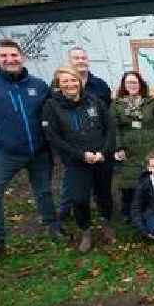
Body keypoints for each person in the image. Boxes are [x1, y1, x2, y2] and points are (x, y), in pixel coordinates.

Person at [0, 40, 61, 265]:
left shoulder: (38, 85)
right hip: (4, 152)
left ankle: (52, 225)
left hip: (39, 151)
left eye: (14, 55)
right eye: (4, 56)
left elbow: (51, 113)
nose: (10, 59)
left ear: (22, 57)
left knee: (44, 191)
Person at [42, 66, 116, 252]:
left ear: (79, 81)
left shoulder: (94, 101)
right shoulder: (52, 106)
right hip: (76, 161)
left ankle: (106, 222)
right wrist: (81, 155)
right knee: (79, 198)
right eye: (65, 81)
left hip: (101, 158)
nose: (70, 84)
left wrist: (103, 152)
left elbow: (110, 128)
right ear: (59, 84)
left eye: (73, 80)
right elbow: (54, 138)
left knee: (104, 193)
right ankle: (86, 231)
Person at [58, 47, 112, 220]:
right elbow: (54, 131)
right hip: (75, 154)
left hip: (100, 150)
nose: (80, 61)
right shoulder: (55, 96)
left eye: (83, 57)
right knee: (76, 191)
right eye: (76, 58)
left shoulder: (99, 86)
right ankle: (67, 213)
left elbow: (107, 116)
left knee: (103, 189)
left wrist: (104, 150)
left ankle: (105, 219)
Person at [111, 71, 154, 223]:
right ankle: (126, 210)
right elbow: (114, 127)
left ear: (140, 84)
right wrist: (118, 147)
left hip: (149, 148)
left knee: (147, 179)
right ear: (124, 85)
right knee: (128, 183)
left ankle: (147, 208)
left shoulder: (151, 102)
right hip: (129, 150)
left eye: (135, 82)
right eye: (129, 82)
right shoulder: (117, 104)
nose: (132, 85)